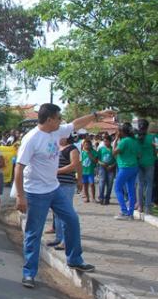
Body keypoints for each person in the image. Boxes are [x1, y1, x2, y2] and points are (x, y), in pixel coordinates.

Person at [15, 104, 115, 288]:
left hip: (54, 189)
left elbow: (76, 123)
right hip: (36, 193)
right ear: (50, 119)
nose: (62, 121)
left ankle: (74, 259)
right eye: (59, 118)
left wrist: (97, 114)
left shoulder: (56, 131)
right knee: (34, 232)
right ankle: (29, 273)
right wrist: (20, 196)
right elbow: (18, 168)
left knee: (72, 220)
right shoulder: (31, 139)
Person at [46, 135, 81, 251]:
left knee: (65, 213)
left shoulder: (72, 149)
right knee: (56, 213)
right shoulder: (56, 148)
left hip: (66, 184)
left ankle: (66, 241)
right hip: (54, 184)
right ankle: (59, 238)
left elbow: (74, 165)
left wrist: (56, 171)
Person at [112, 122, 141, 220]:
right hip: (134, 167)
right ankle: (130, 213)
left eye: (118, 131)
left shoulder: (124, 141)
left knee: (117, 188)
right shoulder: (134, 140)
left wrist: (115, 140)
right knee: (131, 190)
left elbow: (114, 152)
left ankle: (124, 211)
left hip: (125, 167)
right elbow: (138, 155)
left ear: (122, 132)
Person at [137, 119, 156, 217]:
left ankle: (140, 206)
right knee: (149, 185)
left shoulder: (136, 138)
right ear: (147, 127)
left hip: (139, 162)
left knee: (140, 185)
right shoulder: (151, 137)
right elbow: (154, 150)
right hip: (149, 162)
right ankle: (148, 207)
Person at [97, 134, 116, 205]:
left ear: (110, 141)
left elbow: (116, 160)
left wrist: (112, 165)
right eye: (104, 141)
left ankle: (107, 198)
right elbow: (97, 159)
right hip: (102, 167)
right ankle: (101, 197)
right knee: (102, 182)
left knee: (110, 183)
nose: (105, 143)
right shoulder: (101, 149)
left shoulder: (113, 149)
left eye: (107, 141)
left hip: (111, 167)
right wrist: (101, 163)